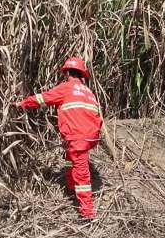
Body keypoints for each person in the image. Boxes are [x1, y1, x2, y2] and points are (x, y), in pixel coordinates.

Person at [14, 57, 102, 220]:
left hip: (78, 138)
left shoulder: (66, 88)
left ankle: (87, 213)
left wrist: (23, 103)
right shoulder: (88, 92)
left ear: (67, 72)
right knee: (70, 160)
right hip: (90, 137)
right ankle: (70, 185)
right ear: (82, 75)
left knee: (81, 174)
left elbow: (43, 99)